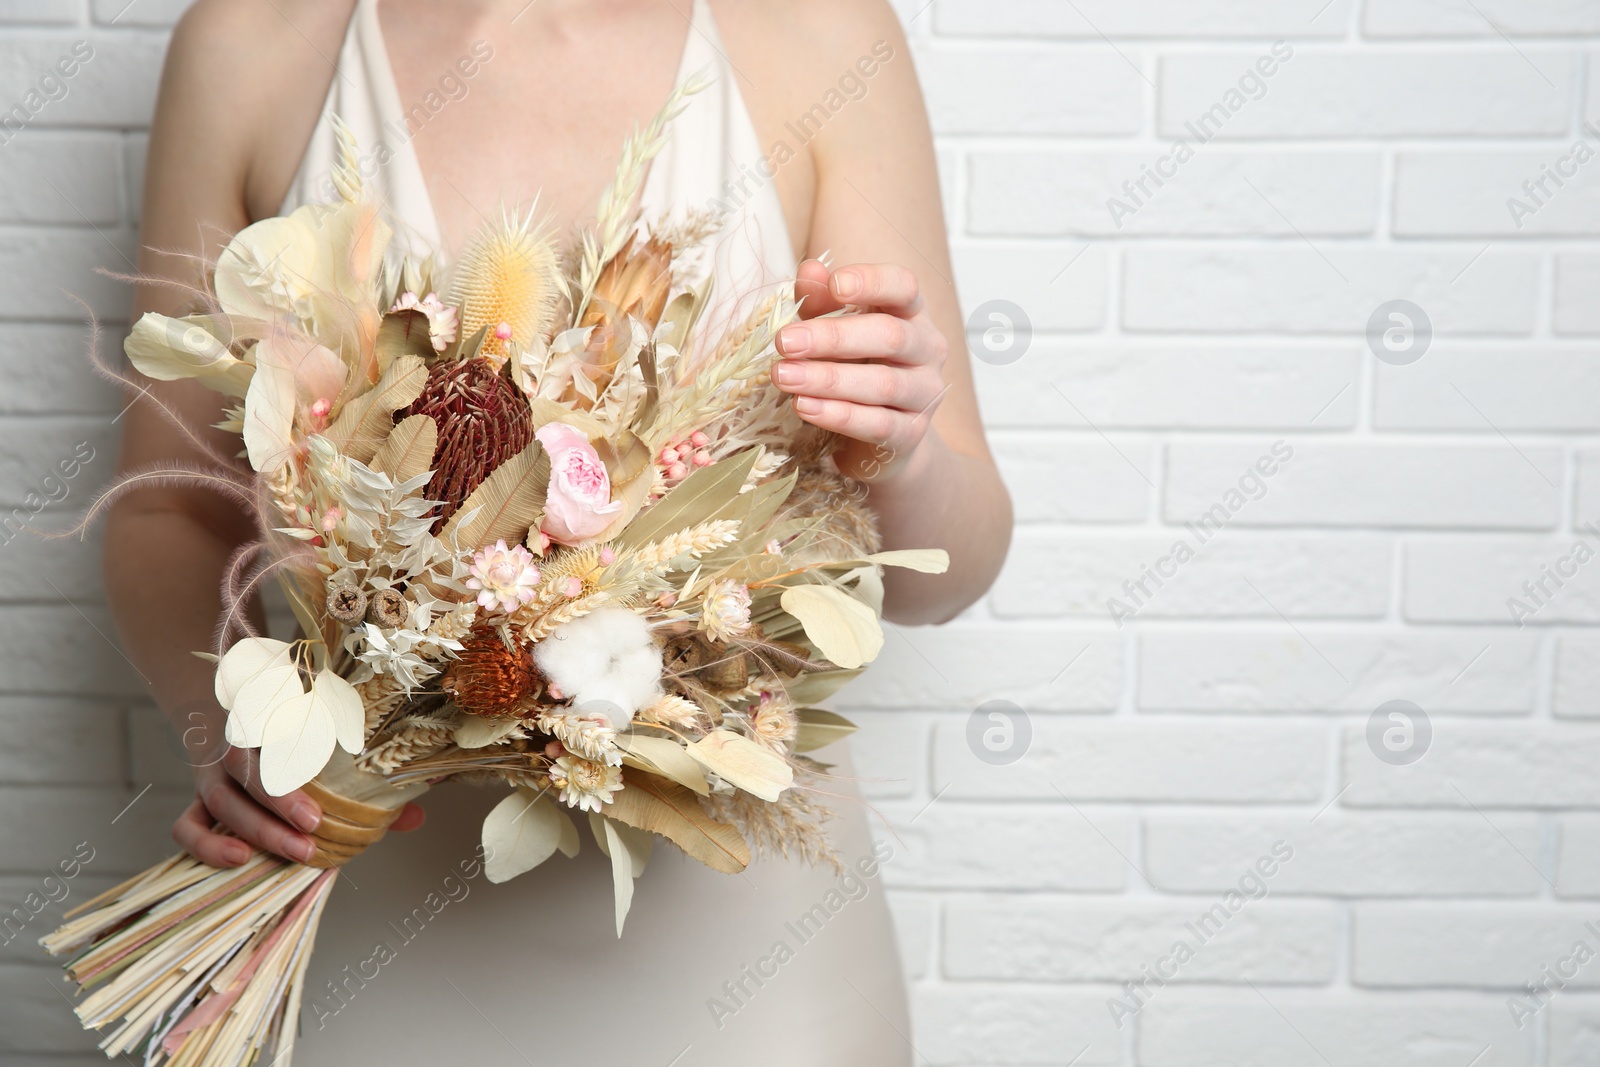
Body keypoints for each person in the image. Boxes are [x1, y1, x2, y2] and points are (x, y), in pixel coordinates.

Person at [106, 0, 1012, 1061]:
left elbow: (948, 572)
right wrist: (225, 729)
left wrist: (894, 450)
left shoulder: (819, 33)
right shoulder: (254, 43)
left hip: (747, 946)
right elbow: (170, 502)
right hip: (367, 895)